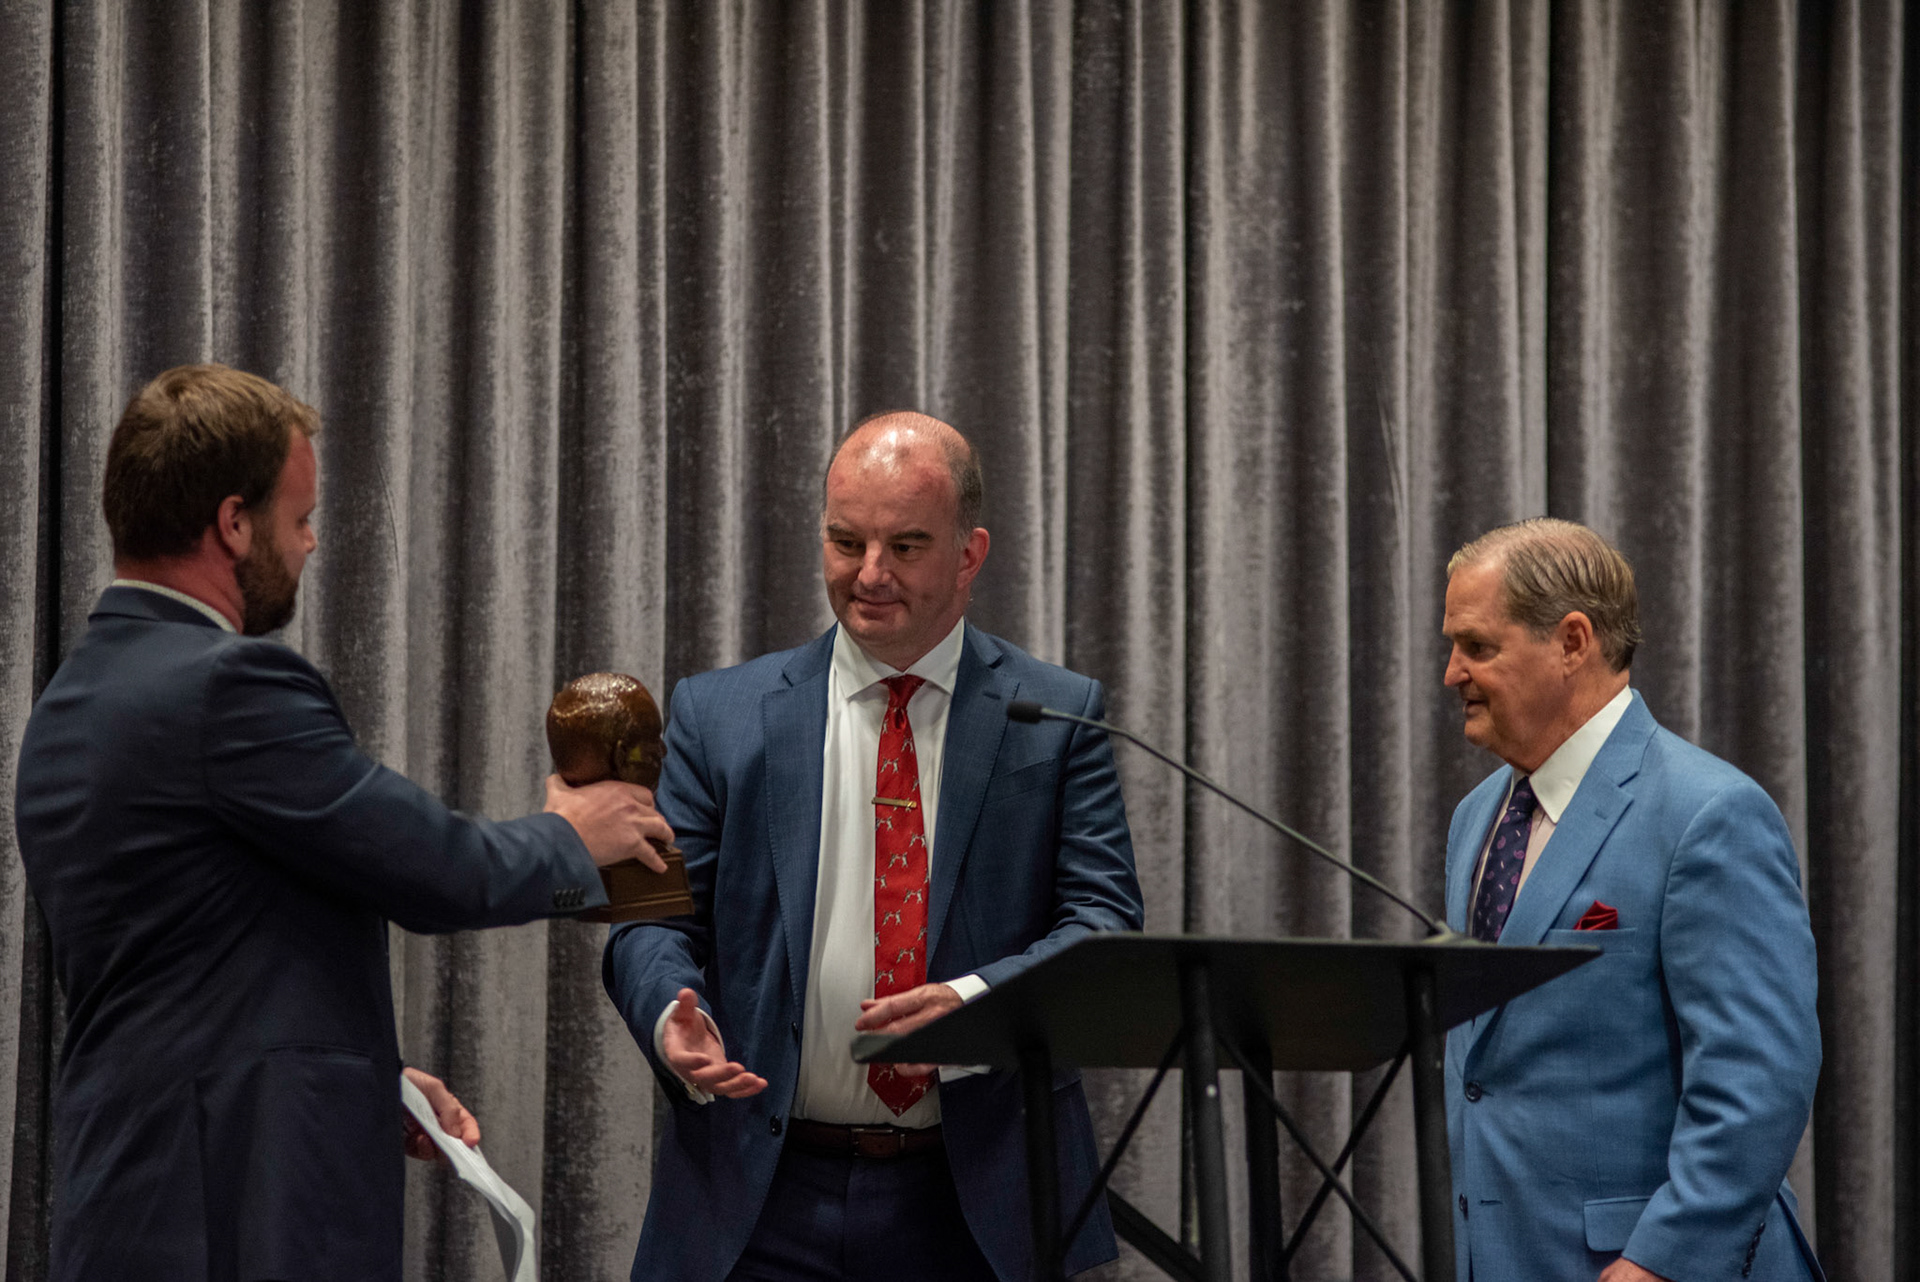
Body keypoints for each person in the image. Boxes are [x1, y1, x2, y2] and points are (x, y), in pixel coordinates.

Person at [13, 364, 674, 1282]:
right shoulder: (227, 687)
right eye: (299, 519)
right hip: (235, 1216)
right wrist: (574, 833)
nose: (312, 542)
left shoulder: (68, 703)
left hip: (133, 1201)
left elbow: (191, 972)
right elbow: (443, 872)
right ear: (233, 523)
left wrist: (363, 1077)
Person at [603, 412, 1143, 1282]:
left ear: (969, 555)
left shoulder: (1055, 713)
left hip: (974, 1200)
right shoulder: (718, 715)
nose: (869, 574)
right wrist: (672, 1013)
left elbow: (1104, 924)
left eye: (906, 545)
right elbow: (649, 920)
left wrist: (972, 1006)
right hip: (755, 1194)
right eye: (846, 541)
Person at [1438, 518, 1823, 1282]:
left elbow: (1758, 1079)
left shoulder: (1709, 814)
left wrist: (1663, 1260)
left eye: (1477, 646)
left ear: (1572, 641)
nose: (1452, 673)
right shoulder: (1475, 818)